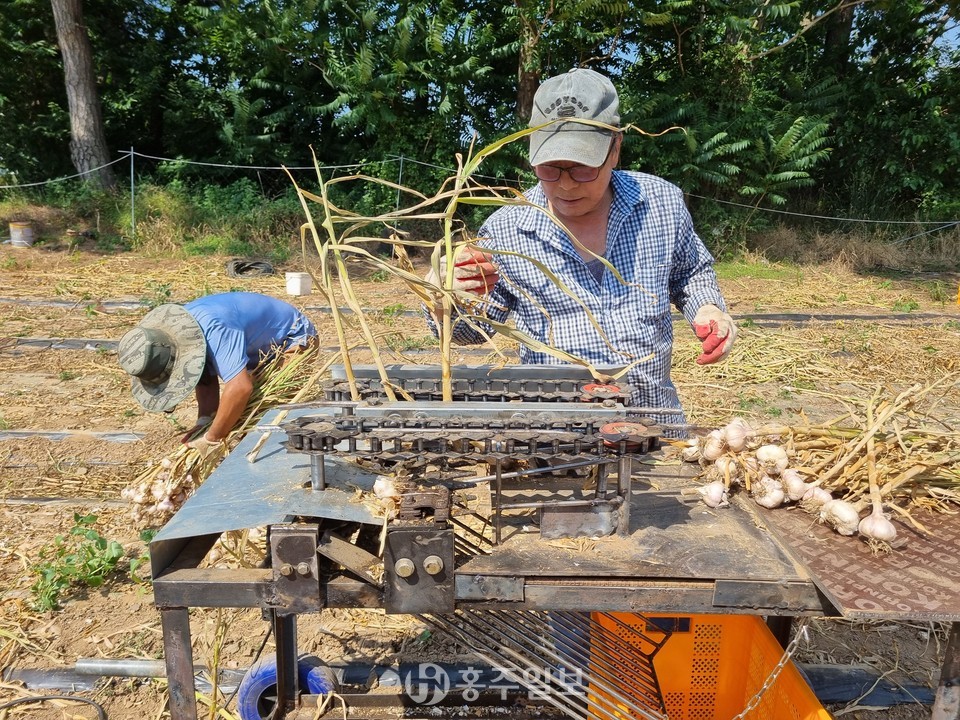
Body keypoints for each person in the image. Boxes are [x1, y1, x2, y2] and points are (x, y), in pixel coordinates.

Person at [426, 67, 736, 428]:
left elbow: (690, 273)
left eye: (583, 168)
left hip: (654, 428)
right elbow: (470, 332)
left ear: (615, 148)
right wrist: (442, 299)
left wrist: (709, 309)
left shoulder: (660, 203)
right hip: (555, 439)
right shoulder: (506, 230)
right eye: (549, 169)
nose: (566, 185)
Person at [118, 291, 317, 455]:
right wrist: (204, 420)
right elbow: (203, 375)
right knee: (232, 419)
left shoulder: (215, 328)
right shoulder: (178, 333)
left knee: (262, 416)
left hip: (292, 339)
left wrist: (211, 438)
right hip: (256, 348)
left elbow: (240, 387)